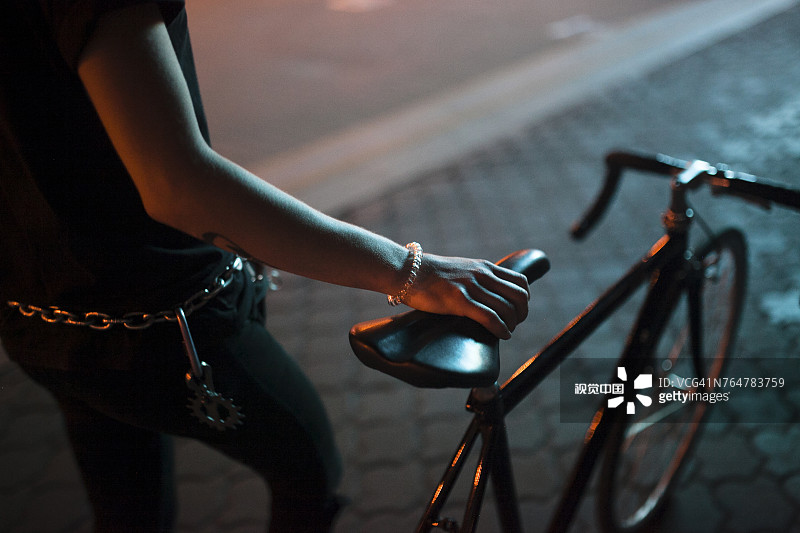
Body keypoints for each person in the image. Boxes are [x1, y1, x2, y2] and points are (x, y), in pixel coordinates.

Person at [0, 1, 530, 532]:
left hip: (37, 328)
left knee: (127, 509)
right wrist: (411, 271)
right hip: (171, 330)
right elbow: (179, 187)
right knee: (309, 469)